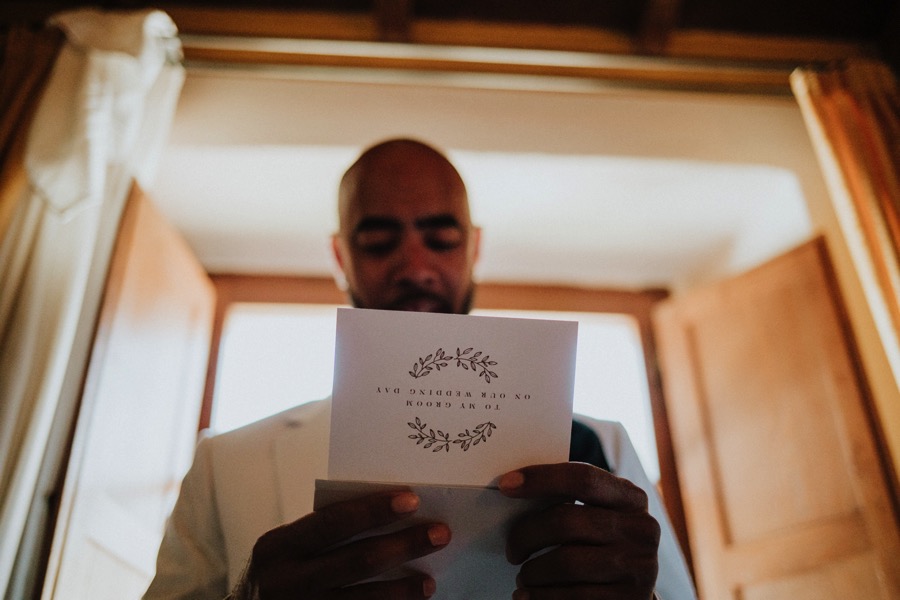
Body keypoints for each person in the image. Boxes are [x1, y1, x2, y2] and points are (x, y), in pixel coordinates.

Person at [144, 138, 697, 600]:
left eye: (442, 238)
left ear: (474, 249)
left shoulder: (601, 447)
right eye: (378, 241)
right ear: (340, 258)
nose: (415, 266)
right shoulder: (226, 465)